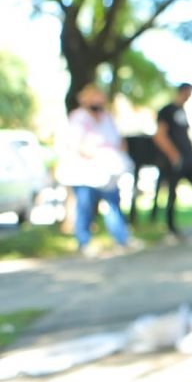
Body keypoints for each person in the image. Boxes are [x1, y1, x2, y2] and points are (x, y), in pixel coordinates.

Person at [55, 84, 137, 256]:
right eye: (93, 97)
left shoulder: (107, 118)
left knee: (113, 205)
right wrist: (99, 155)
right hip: (85, 172)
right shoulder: (79, 118)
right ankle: (84, 242)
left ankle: (122, 239)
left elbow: (118, 140)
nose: (97, 100)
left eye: (99, 97)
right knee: (85, 206)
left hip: (108, 173)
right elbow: (77, 144)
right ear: (84, 99)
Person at [153, 83, 192, 235]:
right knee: (172, 193)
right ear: (183, 91)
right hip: (176, 160)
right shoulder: (166, 110)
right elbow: (159, 136)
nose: (189, 96)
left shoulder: (182, 111)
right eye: (188, 93)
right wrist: (174, 155)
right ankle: (170, 227)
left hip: (191, 158)